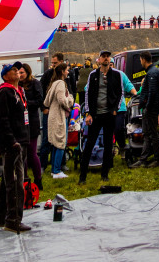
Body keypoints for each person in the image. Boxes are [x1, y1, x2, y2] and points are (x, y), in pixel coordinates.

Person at [0, 62, 30, 234]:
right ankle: (13, 220)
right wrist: (11, 141)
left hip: (20, 139)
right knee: (15, 183)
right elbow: (2, 121)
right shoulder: (5, 93)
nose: (17, 72)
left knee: (8, 180)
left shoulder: (18, 91)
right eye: (13, 70)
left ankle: (0, 217)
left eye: (17, 70)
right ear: (6, 76)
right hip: (13, 144)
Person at [79, 50, 123, 182]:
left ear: (110, 60)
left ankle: (105, 174)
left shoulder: (116, 75)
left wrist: (116, 108)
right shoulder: (93, 75)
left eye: (107, 57)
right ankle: (83, 176)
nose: (105, 59)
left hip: (109, 114)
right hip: (96, 115)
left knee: (108, 145)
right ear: (99, 60)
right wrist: (88, 113)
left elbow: (120, 92)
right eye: (103, 57)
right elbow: (87, 94)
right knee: (89, 144)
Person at [131, 53, 159, 167]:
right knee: (146, 133)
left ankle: (157, 159)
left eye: (140, 59)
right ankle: (143, 159)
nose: (140, 62)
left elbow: (153, 93)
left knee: (152, 134)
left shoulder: (152, 73)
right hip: (148, 108)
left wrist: (148, 107)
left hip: (151, 109)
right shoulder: (151, 72)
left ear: (143, 59)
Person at [44, 61, 73, 178]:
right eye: (66, 70)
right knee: (61, 143)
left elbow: (46, 102)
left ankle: (54, 169)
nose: (68, 71)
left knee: (56, 144)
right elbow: (62, 100)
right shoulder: (61, 83)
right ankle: (56, 171)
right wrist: (70, 100)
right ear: (62, 71)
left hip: (53, 116)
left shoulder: (54, 83)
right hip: (59, 117)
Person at [19, 63, 43, 189]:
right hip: (21, 123)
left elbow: (40, 101)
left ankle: (38, 179)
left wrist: (26, 103)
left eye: (22, 72)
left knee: (32, 152)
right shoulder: (17, 86)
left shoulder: (34, 83)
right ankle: (25, 180)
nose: (20, 75)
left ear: (27, 72)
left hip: (32, 121)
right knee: (23, 153)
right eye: (19, 73)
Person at [39, 52, 64, 168]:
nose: (53, 65)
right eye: (52, 63)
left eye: (56, 63)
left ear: (61, 62)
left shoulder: (67, 74)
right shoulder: (48, 74)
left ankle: (59, 163)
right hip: (49, 110)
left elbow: (72, 90)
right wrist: (43, 107)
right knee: (47, 137)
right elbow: (40, 91)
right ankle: (43, 164)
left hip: (62, 110)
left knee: (61, 136)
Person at [114, 66, 137, 162]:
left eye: (111, 65)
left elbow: (128, 85)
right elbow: (89, 86)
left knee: (119, 129)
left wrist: (136, 94)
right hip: (105, 108)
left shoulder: (120, 74)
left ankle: (122, 147)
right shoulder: (100, 75)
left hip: (120, 108)